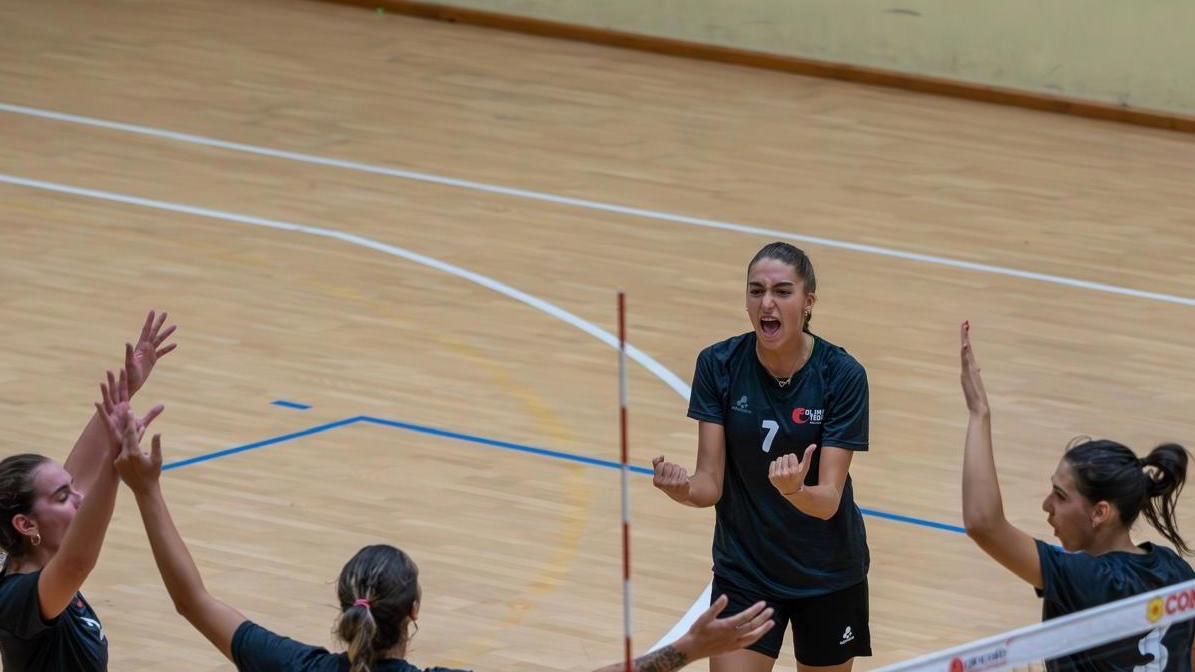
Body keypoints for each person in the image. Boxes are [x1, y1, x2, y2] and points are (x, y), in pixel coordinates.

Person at [109, 409, 776, 672]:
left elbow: (191, 600)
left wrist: (147, 491)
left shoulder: (293, 668)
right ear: (415, 613)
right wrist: (685, 651)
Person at [651, 242, 871, 672]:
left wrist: (793, 490)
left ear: (808, 303)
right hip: (746, 571)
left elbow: (827, 501)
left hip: (826, 573)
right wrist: (682, 488)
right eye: (756, 291)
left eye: (782, 292)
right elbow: (709, 484)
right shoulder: (719, 365)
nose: (767, 303)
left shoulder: (842, 376)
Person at [959, 320, 1195, 672]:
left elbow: (983, 523)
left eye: (1059, 495)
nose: (1046, 506)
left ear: (1100, 512)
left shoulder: (1088, 578)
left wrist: (979, 412)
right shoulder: (1179, 573)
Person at [0, 311, 175, 671]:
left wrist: (126, 392)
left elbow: (77, 479)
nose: (78, 496)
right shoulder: (20, 598)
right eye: (62, 497)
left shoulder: (41, 558)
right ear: (25, 524)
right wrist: (115, 469)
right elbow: (78, 562)